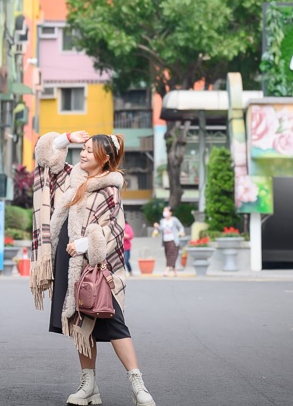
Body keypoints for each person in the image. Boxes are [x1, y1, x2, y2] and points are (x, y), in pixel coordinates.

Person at [30, 130, 156, 406]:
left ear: (105, 157)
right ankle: (89, 386)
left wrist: (85, 245)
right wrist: (67, 138)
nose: (83, 153)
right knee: (80, 323)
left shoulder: (109, 187)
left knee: (114, 322)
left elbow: (115, 229)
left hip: (98, 266)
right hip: (69, 261)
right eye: (83, 148)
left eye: (89, 149)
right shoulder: (74, 178)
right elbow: (45, 161)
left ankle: (138, 384)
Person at [154, 206, 185, 277]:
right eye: (164, 211)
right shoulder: (162, 221)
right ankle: (175, 272)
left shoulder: (174, 220)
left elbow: (181, 227)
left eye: (166, 211)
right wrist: (157, 227)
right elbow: (160, 229)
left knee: (170, 255)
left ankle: (166, 271)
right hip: (166, 240)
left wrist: (181, 232)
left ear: (171, 212)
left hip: (173, 240)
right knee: (168, 255)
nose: (165, 212)